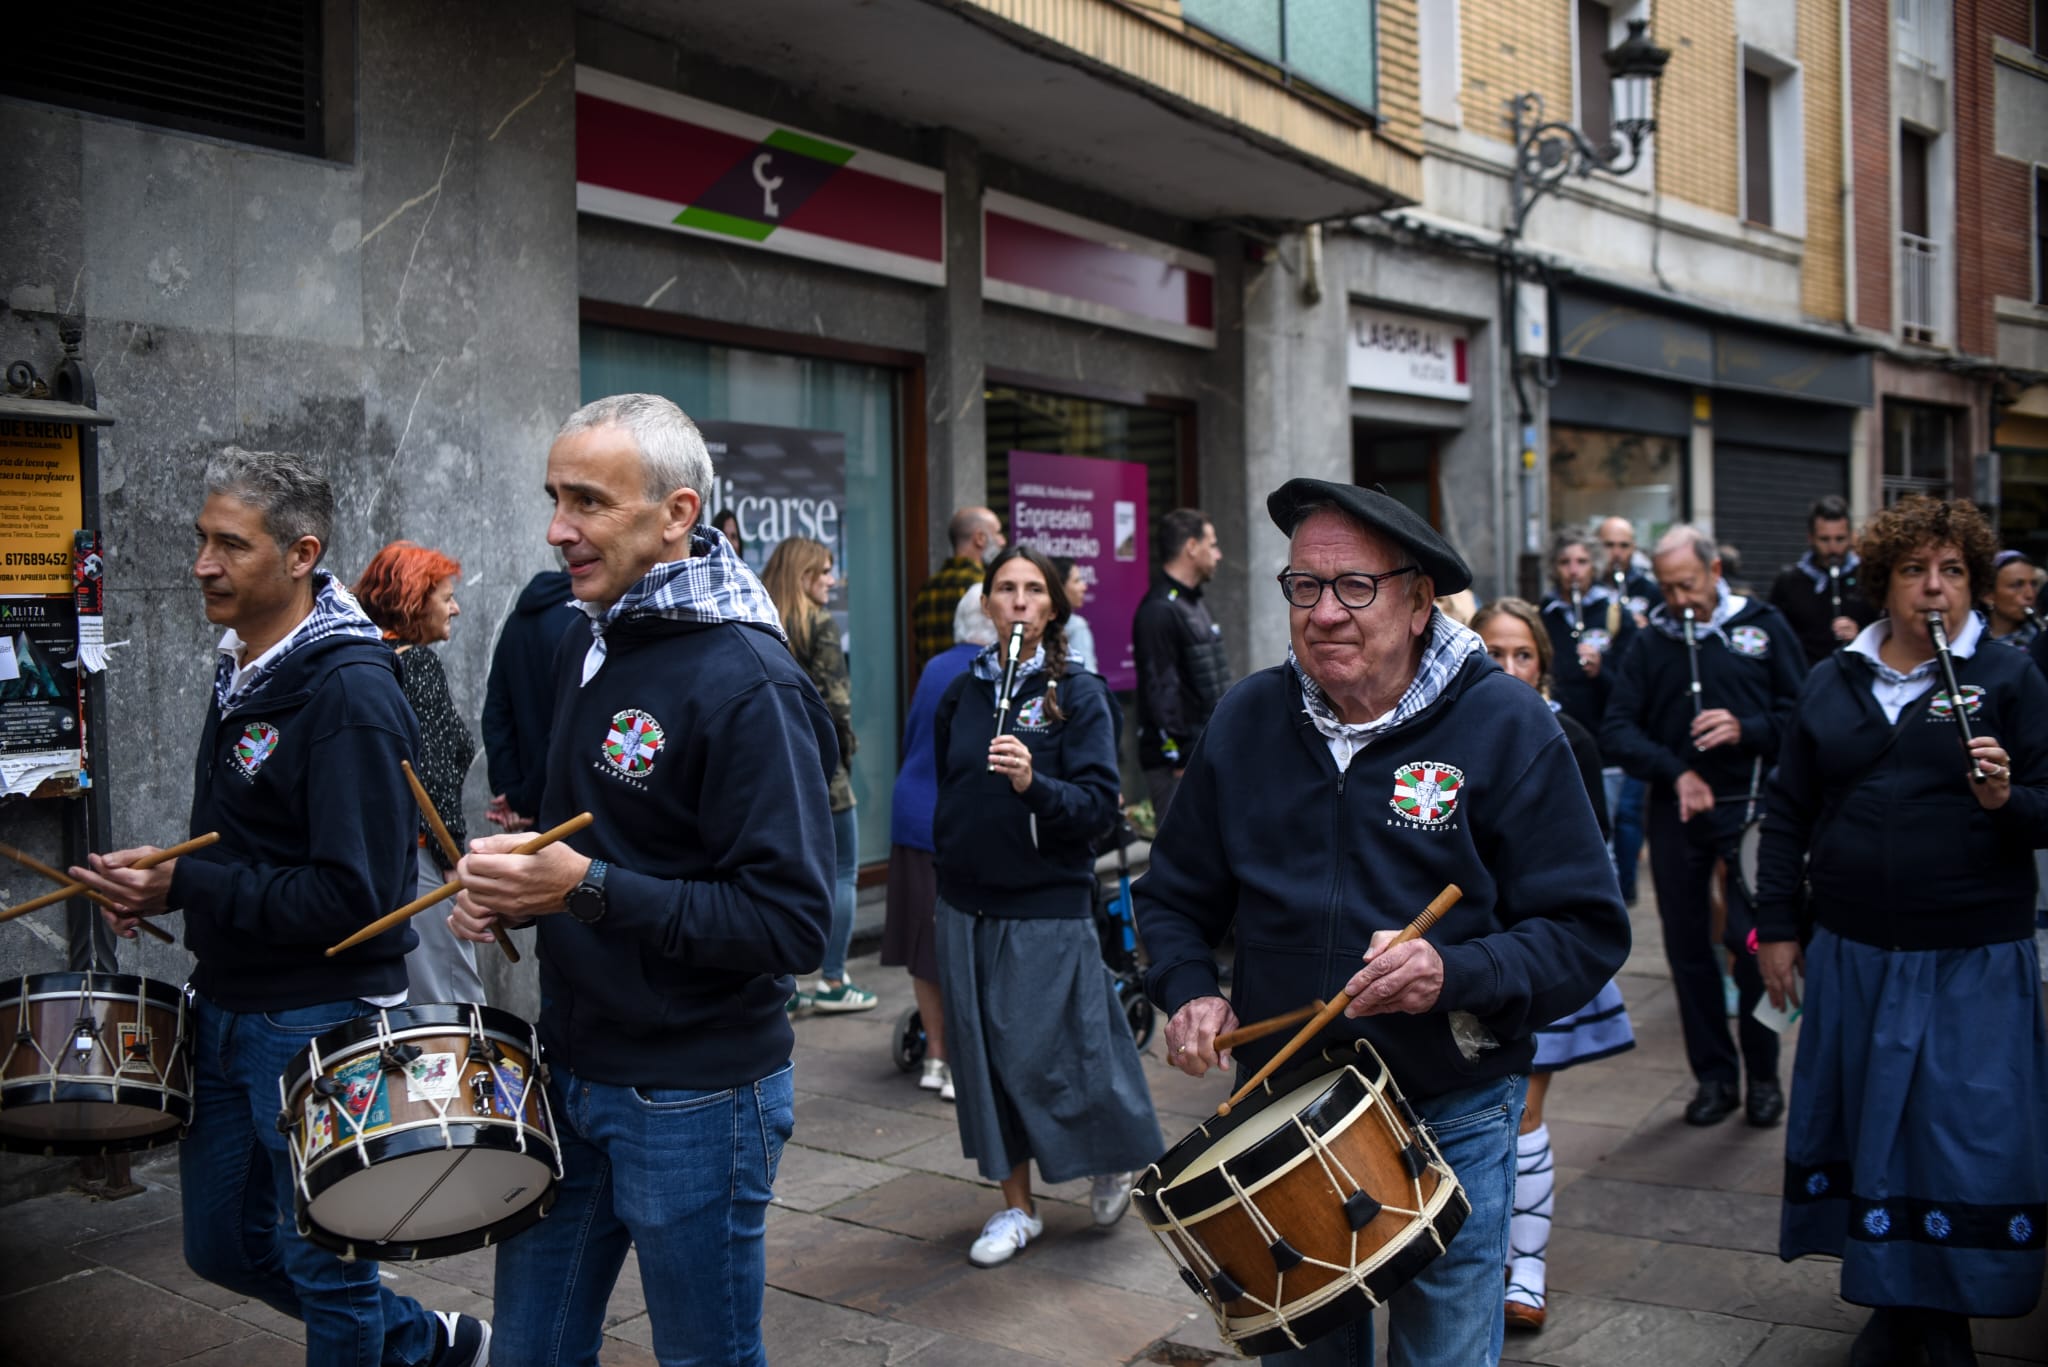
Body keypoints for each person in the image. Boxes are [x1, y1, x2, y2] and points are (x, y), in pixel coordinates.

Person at [1137, 479, 1629, 1367]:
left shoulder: (1508, 725)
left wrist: (1457, 973)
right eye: (1304, 587)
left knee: (1441, 1357)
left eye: (1354, 586)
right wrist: (1187, 991)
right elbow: (1173, 895)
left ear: (1415, 601)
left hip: (1453, 1108)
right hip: (1283, 1117)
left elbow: (1587, 927)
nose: (1325, 612)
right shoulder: (1248, 718)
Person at [72, 447, 487, 1367]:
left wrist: (188, 884)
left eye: (230, 544)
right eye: (201, 539)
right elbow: (244, 849)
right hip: (222, 1003)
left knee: (328, 1266)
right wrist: (158, 886)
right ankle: (431, 1344)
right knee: (219, 1246)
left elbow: (362, 896)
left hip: (314, 1017)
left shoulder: (348, 689)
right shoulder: (246, 661)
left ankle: (421, 1344)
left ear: (302, 554)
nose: (202, 563)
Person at [446, 393, 836, 1367]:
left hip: (696, 1095)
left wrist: (580, 886)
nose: (556, 527)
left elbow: (793, 923)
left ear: (676, 513)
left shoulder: (749, 679)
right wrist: (517, 873)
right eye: (553, 497)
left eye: (587, 499)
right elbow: (623, 835)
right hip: (571, 1066)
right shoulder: (594, 637)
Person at [1756, 495, 2048, 1367]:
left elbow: (2044, 805)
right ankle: (1892, 1300)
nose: (1935, 588)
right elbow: (1788, 809)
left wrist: (2004, 798)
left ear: (1976, 585)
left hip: (1968, 954)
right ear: (1882, 583)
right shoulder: (1832, 678)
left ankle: (1944, 1311)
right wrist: (1776, 927)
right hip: (1852, 949)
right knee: (1866, 1125)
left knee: (1958, 1134)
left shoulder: (2008, 678)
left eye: (1954, 570)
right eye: (1916, 570)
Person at [932, 545, 1162, 1268]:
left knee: (1059, 1051)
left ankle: (1111, 1156)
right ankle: (1016, 1206)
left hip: (1045, 900)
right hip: (964, 899)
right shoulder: (961, 690)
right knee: (984, 1060)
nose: (1020, 600)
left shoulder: (1080, 692)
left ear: (1054, 605)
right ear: (988, 604)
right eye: (1007, 588)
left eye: (1034, 588)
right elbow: (952, 782)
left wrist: (1034, 783)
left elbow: (1096, 806)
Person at [1601, 525, 1803, 1129]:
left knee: (1749, 944)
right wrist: (1675, 771)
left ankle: (1764, 1075)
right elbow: (1618, 729)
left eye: (1686, 585)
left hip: (1751, 806)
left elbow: (1804, 713)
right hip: (1679, 807)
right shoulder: (1649, 643)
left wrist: (1748, 727)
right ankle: (1715, 1078)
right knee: (1688, 949)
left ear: (1715, 573)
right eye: (1666, 587)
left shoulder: (1764, 627)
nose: (1677, 599)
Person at [1471, 598, 1636, 1335]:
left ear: (1543, 662)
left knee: (1525, 1112)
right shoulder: (1455, 733)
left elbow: (1586, 860)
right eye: (1493, 653)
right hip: (1466, 958)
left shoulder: (1569, 736)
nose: (1508, 668)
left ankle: (1526, 1270)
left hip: (1536, 954)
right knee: (1474, 1116)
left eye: (1522, 655)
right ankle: (1478, 1257)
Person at [354, 540, 485, 1003]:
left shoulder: (363, 660)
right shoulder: (416, 664)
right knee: (449, 994)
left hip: (378, 856)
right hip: (423, 854)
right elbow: (428, 772)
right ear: (413, 600)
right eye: (446, 596)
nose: (456, 608)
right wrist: (453, 861)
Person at [883, 586, 998, 1101]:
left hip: (913, 812)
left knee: (926, 948)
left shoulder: (935, 666)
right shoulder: (989, 673)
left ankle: (936, 1056)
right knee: (962, 944)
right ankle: (963, 1062)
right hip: (953, 821)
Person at [763, 534, 876, 1014]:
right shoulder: (820, 624)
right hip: (820, 771)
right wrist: (845, 757)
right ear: (805, 575)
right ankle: (832, 980)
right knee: (843, 871)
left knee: (778, 876)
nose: (832, 580)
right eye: (825, 571)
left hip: (771, 771)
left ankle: (783, 986)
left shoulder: (760, 620)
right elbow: (838, 704)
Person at [1133, 507, 1227, 818]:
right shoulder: (1160, 609)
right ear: (1191, 547)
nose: (1219, 554)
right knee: (1181, 857)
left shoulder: (1194, 602)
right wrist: (1179, 756)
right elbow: (1160, 689)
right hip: (1178, 765)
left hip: (1205, 752)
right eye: (1212, 544)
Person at [482, 565, 581, 832]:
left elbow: (496, 714)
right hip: (577, 813)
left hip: (536, 813)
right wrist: (524, 797)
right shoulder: (586, 622)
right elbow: (570, 723)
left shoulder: (517, 621)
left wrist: (512, 792)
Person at [1768, 495, 1879, 669]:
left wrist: (1860, 636)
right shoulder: (1789, 581)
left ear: (1851, 537)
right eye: (1824, 539)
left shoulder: (1867, 577)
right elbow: (1776, 638)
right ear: (1810, 538)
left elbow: (1885, 631)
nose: (1833, 548)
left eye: (1840, 539)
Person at [912, 506, 1005, 667]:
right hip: (974, 685)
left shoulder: (927, 589)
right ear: (980, 538)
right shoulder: (984, 587)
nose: (1002, 541)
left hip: (933, 681)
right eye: (997, 532)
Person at [1596, 516, 1659, 631]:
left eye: (1624, 545)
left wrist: (1648, 631)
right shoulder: (1587, 589)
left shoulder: (1649, 590)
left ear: (1633, 548)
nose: (1616, 553)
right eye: (1609, 545)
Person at [1981, 549, 2040, 651]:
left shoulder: (2040, 641)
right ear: (1988, 595)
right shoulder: (1970, 639)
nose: (2030, 594)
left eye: (2033, 584)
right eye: (2017, 585)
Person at [1051, 555, 1098, 673]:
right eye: (1077, 581)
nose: (1084, 587)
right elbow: (1088, 676)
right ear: (1059, 587)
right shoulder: (1076, 626)